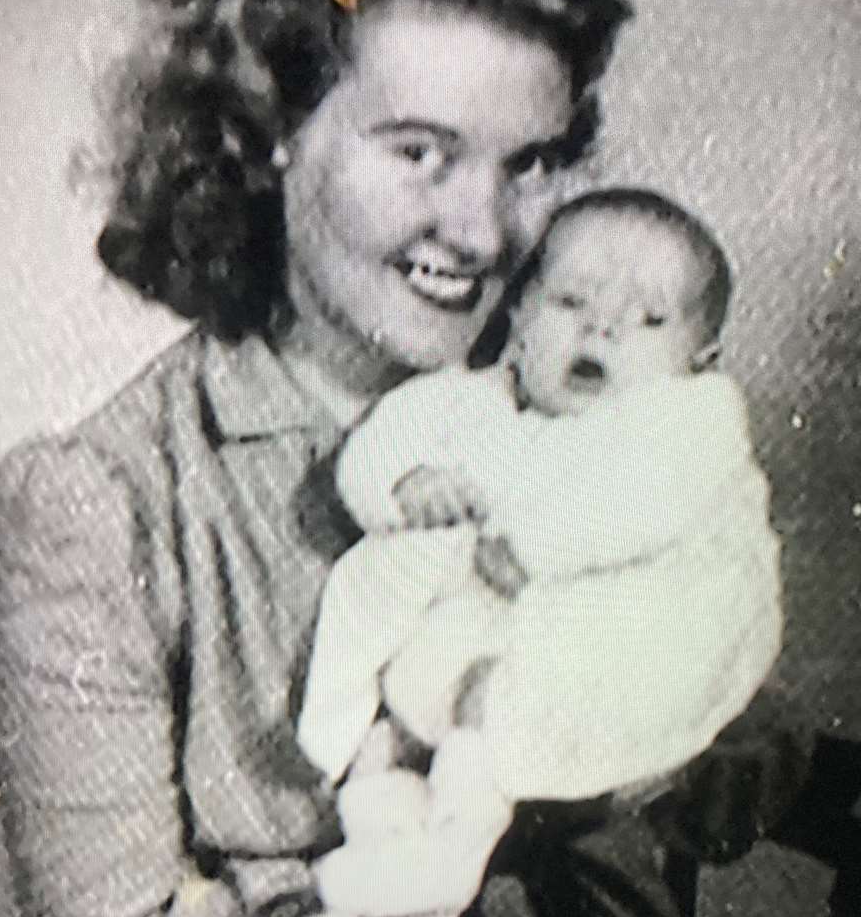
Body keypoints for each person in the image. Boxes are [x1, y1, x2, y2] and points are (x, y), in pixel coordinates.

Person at [0, 0, 840, 917]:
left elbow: (676, 664)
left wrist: (724, 746)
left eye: (527, 161)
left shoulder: (591, 388)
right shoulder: (98, 498)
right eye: (424, 154)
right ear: (266, 137)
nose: (488, 233)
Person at [296, 189, 782, 809]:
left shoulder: (688, 421)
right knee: (370, 577)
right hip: (486, 622)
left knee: (532, 706)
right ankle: (333, 736)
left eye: (651, 321)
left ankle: (463, 801)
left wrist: (531, 546)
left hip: (633, 632)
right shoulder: (472, 402)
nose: (601, 329)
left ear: (699, 361)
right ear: (521, 314)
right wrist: (405, 484)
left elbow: (647, 506)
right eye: (570, 301)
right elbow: (382, 444)